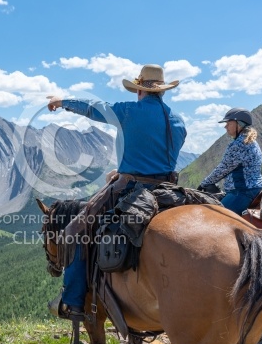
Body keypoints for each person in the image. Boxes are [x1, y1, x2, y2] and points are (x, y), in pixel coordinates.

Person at [46, 64, 187, 318]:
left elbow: (93, 108)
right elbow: (156, 157)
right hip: (169, 188)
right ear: (162, 92)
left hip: (132, 188)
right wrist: (125, 168)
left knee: (75, 230)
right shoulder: (178, 121)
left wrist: (63, 101)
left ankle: (74, 301)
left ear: (139, 91)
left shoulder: (129, 111)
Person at [197, 108, 262, 215]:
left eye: (229, 123)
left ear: (239, 124)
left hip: (242, 192)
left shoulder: (239, 144)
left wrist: (204, 184)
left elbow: (223, 168)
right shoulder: (250, 141)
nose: (225, 126)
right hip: (253, 189)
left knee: (215, 217)